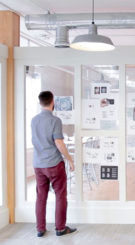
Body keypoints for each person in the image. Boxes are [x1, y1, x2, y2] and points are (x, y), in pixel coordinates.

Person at [31, 91, 77, 237]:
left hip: (38, 165)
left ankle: (40, 229)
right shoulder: (55, 120)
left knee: (41, 196)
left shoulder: (33, 120)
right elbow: (59, 143)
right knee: (60, 195)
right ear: (53, 102)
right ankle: (60, 228)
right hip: (53, 164)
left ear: (40, 103)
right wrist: (70, 159)